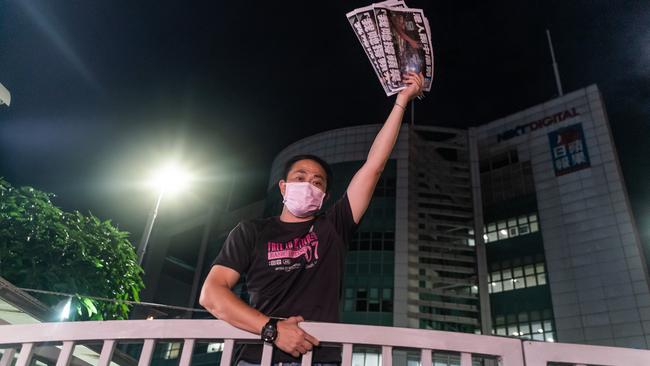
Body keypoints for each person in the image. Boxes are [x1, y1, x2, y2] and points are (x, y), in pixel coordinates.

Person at [199, 72, 424, 365]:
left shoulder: (333, 226)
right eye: (300, 177)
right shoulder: (250, 232)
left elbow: (374, 166)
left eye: (317, 182)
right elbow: (212, 294)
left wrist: (401, 102)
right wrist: (272, 330)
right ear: (283, 187)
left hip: (320, 356)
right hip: (259, 356)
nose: (309, 184)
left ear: (325, 195)